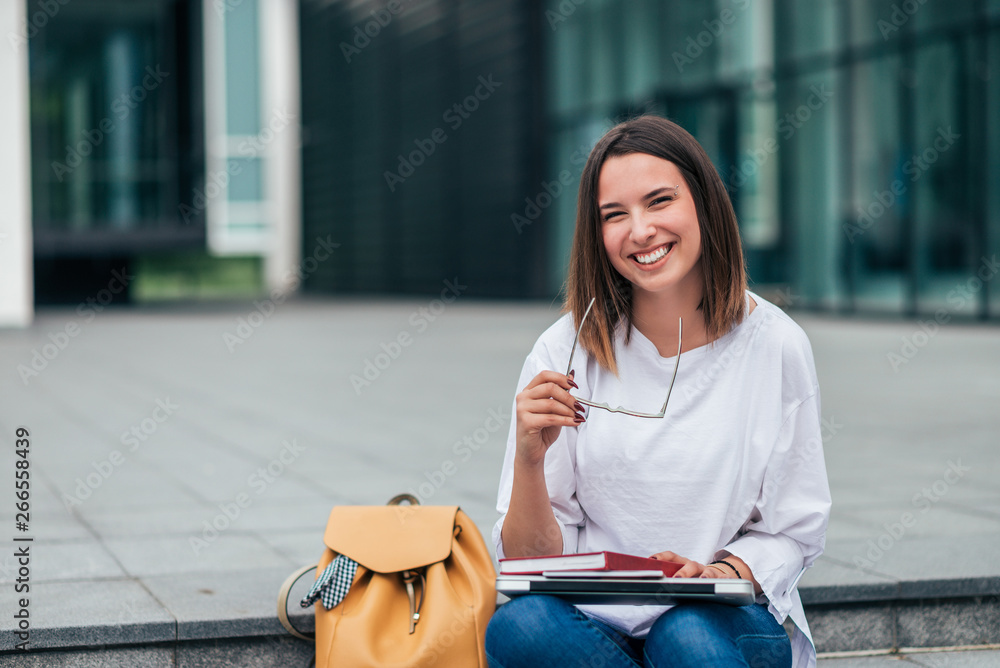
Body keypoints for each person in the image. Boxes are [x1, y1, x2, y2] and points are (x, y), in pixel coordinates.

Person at [485, 115, 831, 668]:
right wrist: (530, 458)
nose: (640, 230)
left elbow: (795, 530)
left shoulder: (776, 345)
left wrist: (722, 572)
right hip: (599, 625)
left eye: (659, 201)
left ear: (703, 203)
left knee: (684, 636)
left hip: (719, 625)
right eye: (614, 215)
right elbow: (529, 566)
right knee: (519, 628)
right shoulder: (564, 349)